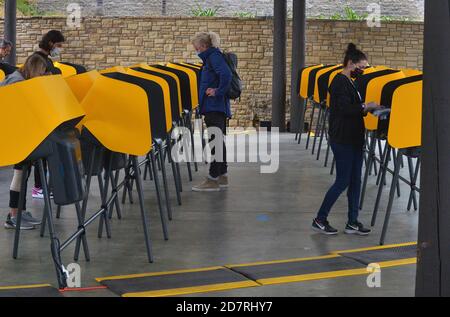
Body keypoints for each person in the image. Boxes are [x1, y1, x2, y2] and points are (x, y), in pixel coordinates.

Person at [312, 43, 381, 236]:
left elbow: (353, 107)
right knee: (342, 181)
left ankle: (352, 221)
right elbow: (342, 109)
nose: (362, 71)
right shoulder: (339, 82)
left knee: (355, 181)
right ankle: (320, 218)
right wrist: (364, 107)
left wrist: (368, 108)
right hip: (342, 138)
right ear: (350, 63)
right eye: (361, 67)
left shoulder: (351, 82)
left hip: (354, 138)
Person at [1, 53, 50, 230]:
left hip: (17, 133)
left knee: (24, 172)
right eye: (42, 72)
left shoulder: (20, 78)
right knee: (20, 173)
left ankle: (19, 212)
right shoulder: (17, 83)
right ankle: (13, 216)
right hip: (11, 135)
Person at [191, 32, 232, 192]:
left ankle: (212, 179)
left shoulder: (213, 57)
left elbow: (226, 75)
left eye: (196, 47)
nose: (196, 50)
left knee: (215, 141)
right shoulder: (212, 57)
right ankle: (222, 176)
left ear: (203, 46)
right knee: (218, 140)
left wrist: (217, 91)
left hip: (214, 106)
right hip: (214, 106)